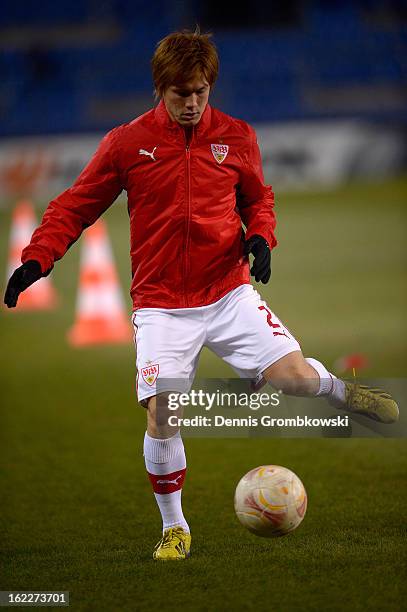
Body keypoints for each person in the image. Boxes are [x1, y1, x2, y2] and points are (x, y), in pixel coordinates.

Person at [4, 28, 399, 561]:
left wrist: (260, 237)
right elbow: (74, 205)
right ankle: (175, 528)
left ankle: (343, 392)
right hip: (162, 305)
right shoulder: (126, 144)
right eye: (180, 94)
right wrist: (37, 257)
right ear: (160, 89)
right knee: (162, 411)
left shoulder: (237, 137)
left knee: (296, 381)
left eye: (201, 93)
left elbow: (259, 199)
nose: (191, 104)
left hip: (228, 292)